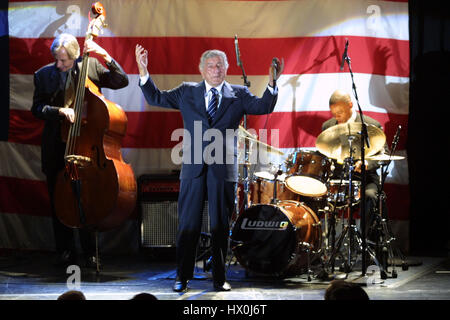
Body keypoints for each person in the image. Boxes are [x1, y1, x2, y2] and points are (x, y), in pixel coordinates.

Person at [135, 44, 283, 292]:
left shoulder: (239, 93)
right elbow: (156, 97)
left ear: (226, 69)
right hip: (193, 168)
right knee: (188, 225)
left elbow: (263, 107)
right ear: (202, 70)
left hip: (223, 168)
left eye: (220, 65)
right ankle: (182, 277)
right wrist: (143, 70)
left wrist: (272, 83)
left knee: (220, 226)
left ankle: (219, 278)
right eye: (211, 65)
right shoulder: (186, 91)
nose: (215, 69)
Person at [31, 33, 129, 269]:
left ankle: (90, 252)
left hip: (86, 144)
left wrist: (104, 54)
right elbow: (36, 108)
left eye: (64, 61)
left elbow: (121, 80)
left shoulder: (90, 65)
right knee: (60, 200)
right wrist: (59, 111)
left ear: (75, 57)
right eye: (57, 59)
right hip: (56, 146)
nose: (59, 65)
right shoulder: (43, 75)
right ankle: (64, 250)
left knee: (87, 196)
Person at [321, 90, 388, 239]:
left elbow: (385, 154)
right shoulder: (328, 126)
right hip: (339, 181)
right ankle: (321, 248)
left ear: (350, 105)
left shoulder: (371, 125)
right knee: (315, 195)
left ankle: (368, 243)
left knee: (370, 196)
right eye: (334, 113)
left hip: (365, 179)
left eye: (340, 112)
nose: (337, 117)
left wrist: (367, 162)